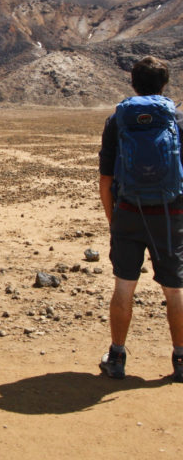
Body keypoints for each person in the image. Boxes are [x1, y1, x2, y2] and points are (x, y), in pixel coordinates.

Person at [99, 56, 183, 381]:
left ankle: (117, 357)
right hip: (171, 213)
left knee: (124, 286)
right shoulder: (176, 120)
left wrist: (114, 220)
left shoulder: (117, 121)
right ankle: (180, 359)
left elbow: (106, 180)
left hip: (128, 213)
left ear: (133, 83)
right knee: (175, 291)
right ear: (164, 84)